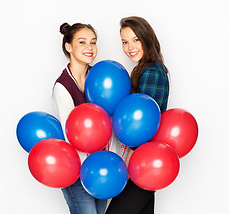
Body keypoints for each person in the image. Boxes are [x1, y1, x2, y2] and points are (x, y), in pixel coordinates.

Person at [105, 16, 169, 214]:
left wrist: (128, 159)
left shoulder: (151, 72)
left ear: (147, 39)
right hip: (147, 162)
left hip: (142, 161)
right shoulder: (145, 69)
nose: (129, 47)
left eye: (135, 40)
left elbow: (144, 124)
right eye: (125, 42)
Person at [52, 22, 108, 214]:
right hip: (76, 168)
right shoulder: (63, 87)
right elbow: (71, 135)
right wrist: (89, 171)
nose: (89, 48)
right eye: (82, 42)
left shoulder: (101, 78)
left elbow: (110, 121)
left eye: (93, 42)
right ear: (69, 46)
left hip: (102, 166)